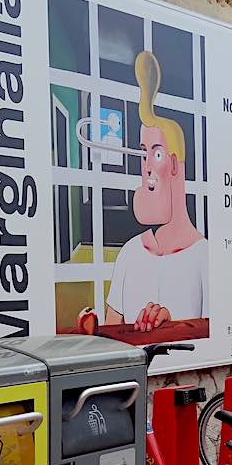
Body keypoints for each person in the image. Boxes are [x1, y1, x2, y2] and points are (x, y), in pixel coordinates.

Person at [86, 50, 208, 332]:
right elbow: (113, 333)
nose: (147, 167)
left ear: (175, 165)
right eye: (143, 154)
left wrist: (169, 325)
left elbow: (211, 333)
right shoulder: (129, 253)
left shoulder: (204, 257)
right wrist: (93, 330)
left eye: (157, 153)